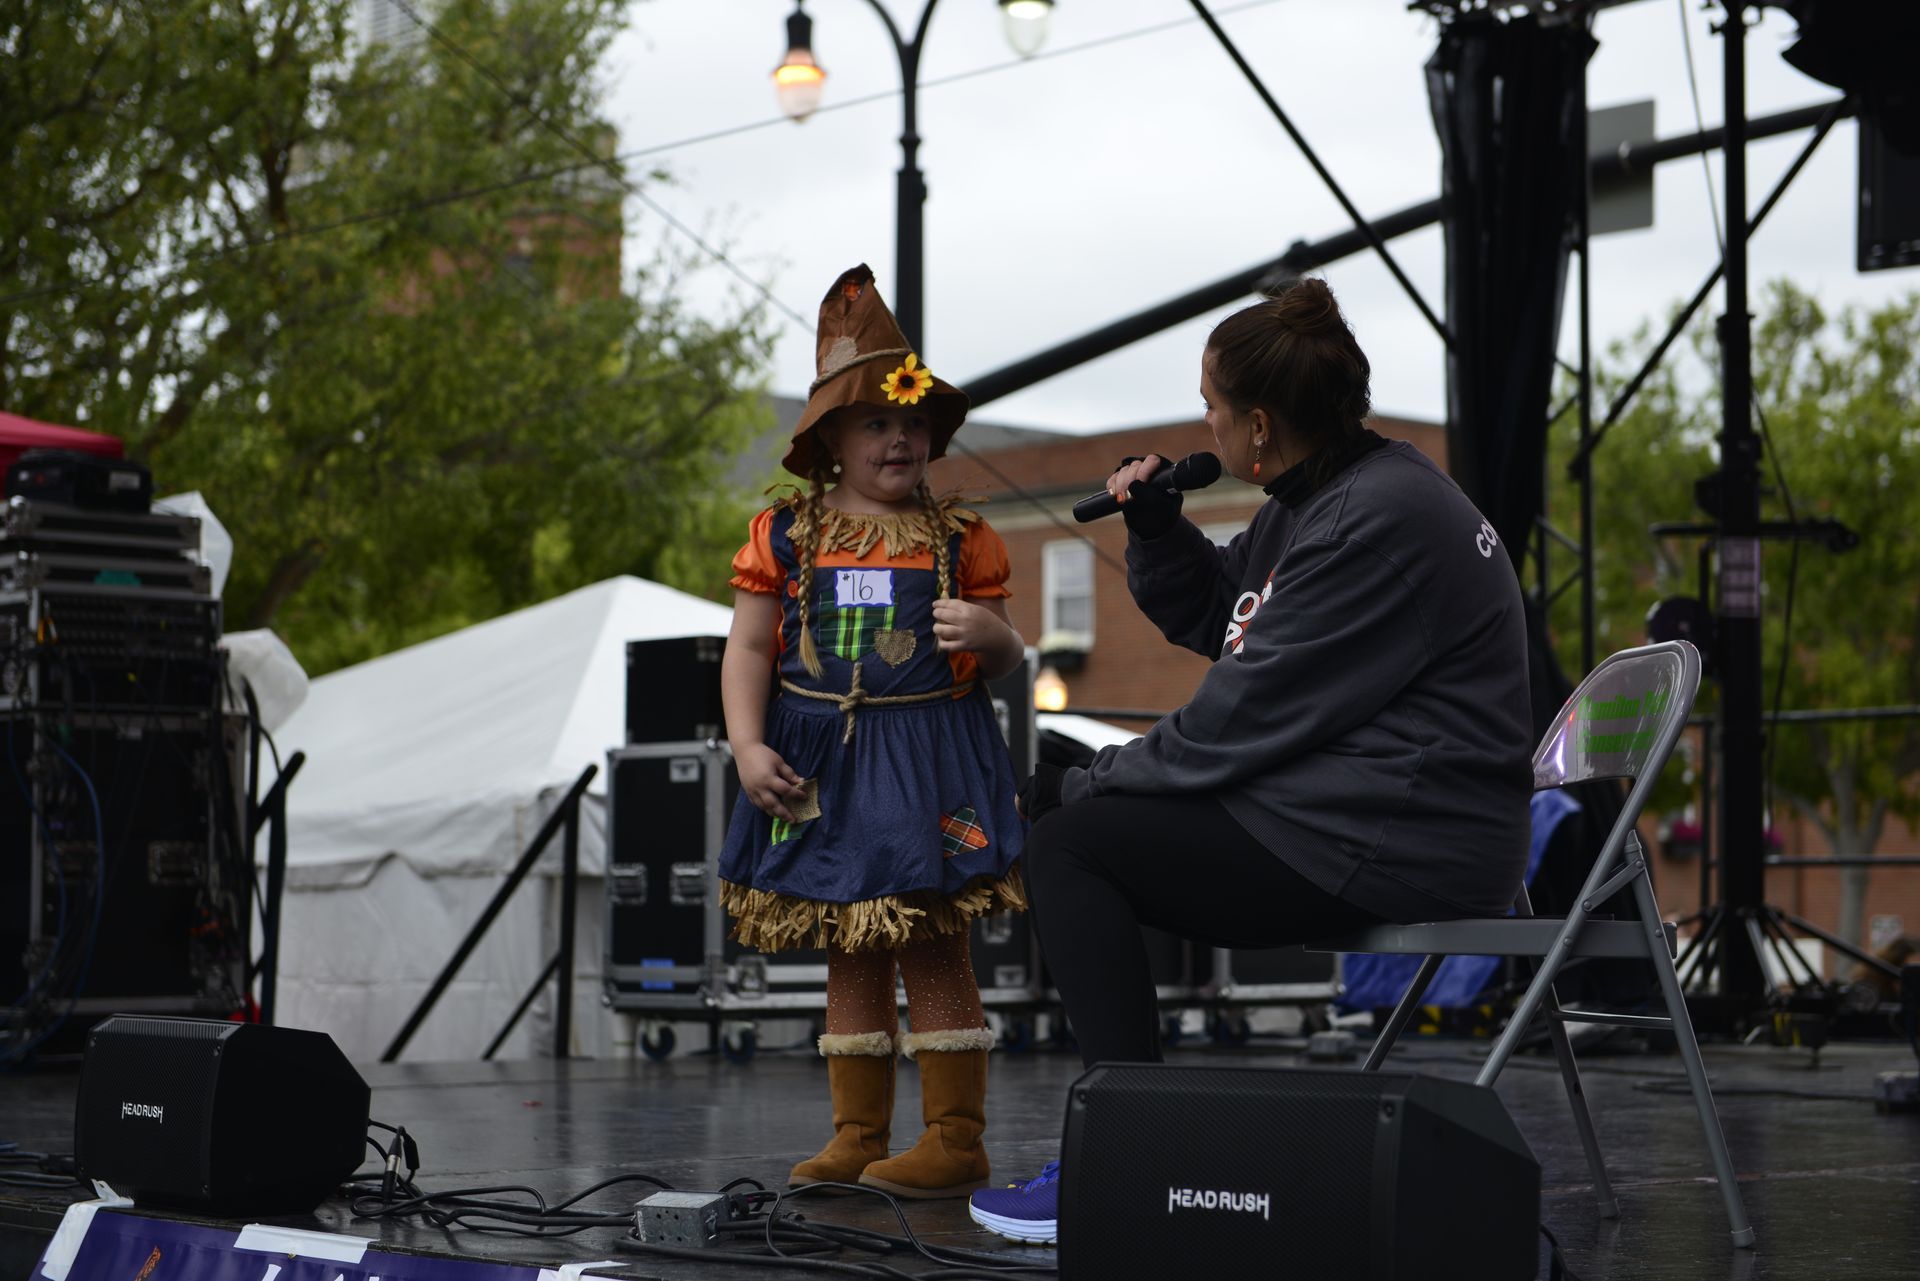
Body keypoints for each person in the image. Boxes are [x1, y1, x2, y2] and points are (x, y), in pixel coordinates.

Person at [968, 277, 1534, 1245]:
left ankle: (1123, 1164)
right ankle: (1129, 1145)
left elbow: (1235, 717)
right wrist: (1159, 529)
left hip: (1398, 840)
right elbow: (1225, 611)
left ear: (1260, 426)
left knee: (1069, 844)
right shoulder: (1321, 498)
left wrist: (1087, 789)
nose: (1204, 423)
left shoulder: (1374, 523)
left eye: (1210, 406)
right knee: (1067, 782)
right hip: (1351, 809)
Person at [719, 264, 1027, 1200]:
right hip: (825, 761)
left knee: (930, 937)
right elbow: (748, 647)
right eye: (876, 421)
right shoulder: (786, 534)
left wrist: (996, 636)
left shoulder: (961, 537)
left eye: (912, 421)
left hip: (928, 761)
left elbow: (1011, 658)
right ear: (832, 439)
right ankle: (858, 1132)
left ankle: (954, 1137)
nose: (900, 436)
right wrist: (744, 743)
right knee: (849, 940)